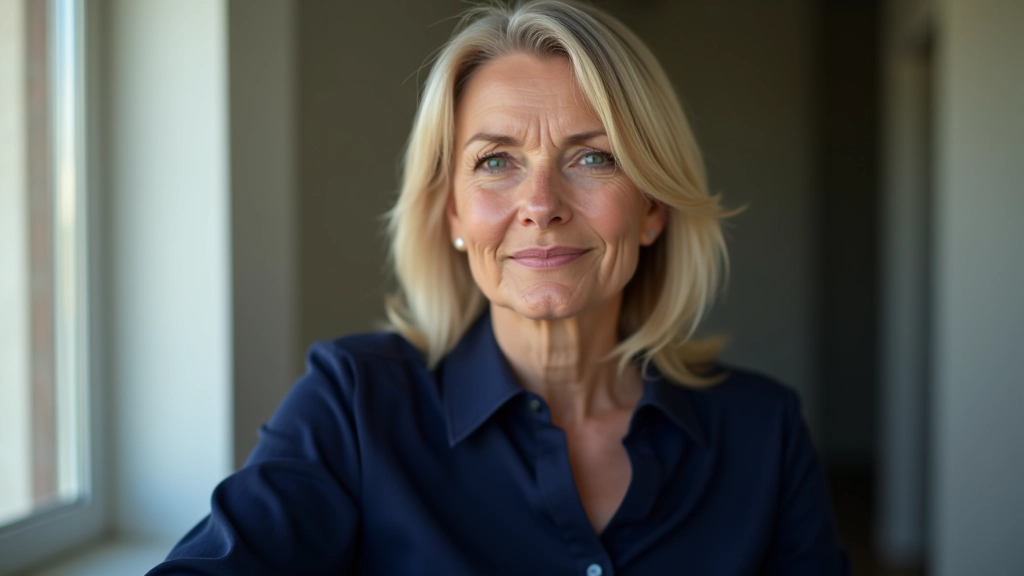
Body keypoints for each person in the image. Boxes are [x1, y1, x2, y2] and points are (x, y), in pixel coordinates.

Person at [149, 1, 850, 574]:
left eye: (592, 156)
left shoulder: (764, 430)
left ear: (652, 209)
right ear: (453, 212)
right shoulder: (353, 407)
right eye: (496, 161)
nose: (540, 203)